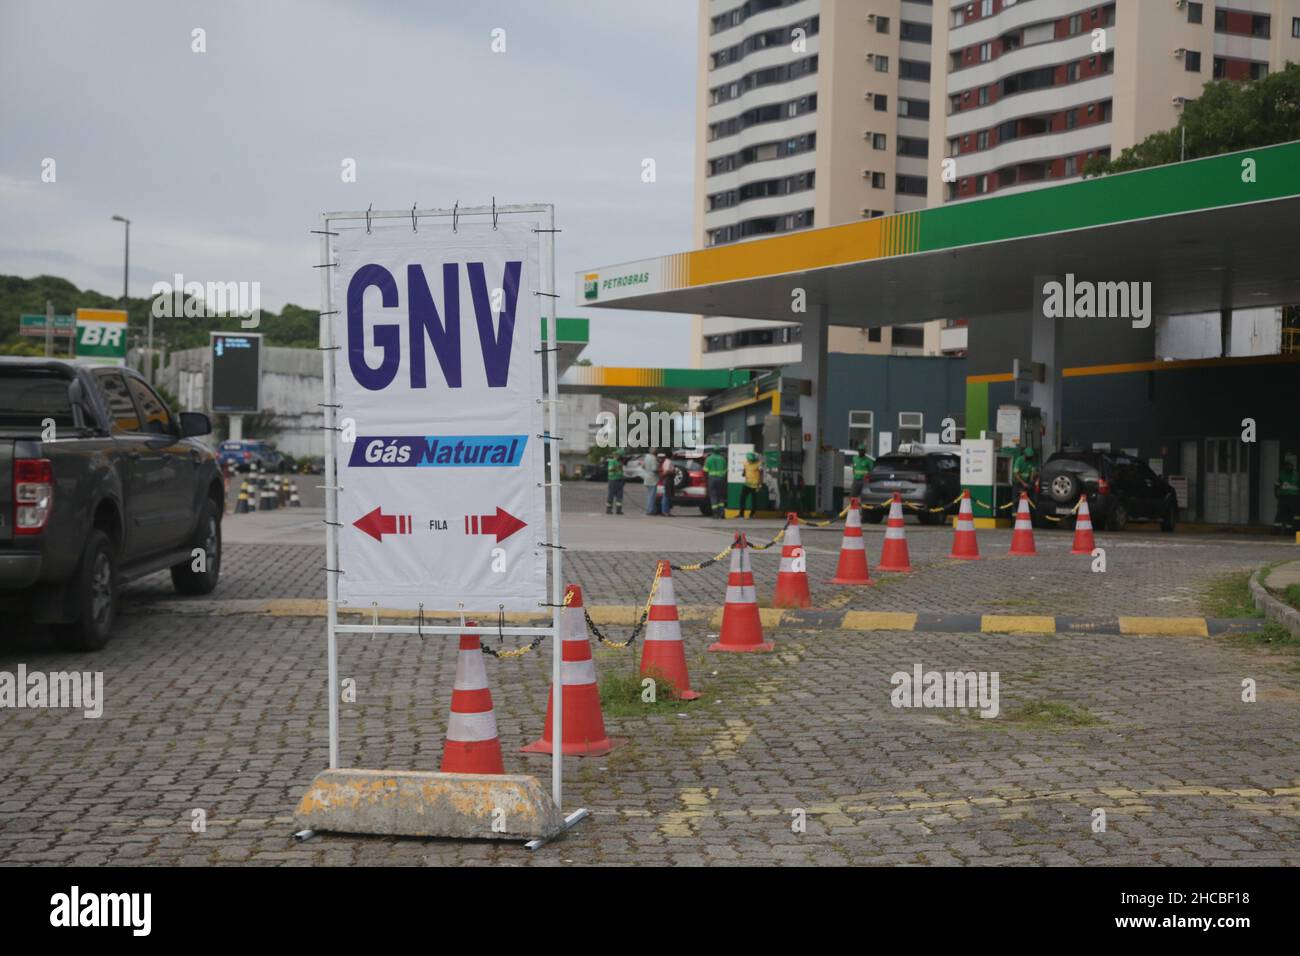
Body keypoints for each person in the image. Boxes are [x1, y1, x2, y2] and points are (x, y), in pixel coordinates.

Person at [1275, 452, 1298, 533]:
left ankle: (1289, 531)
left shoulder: (1296, 475)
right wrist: (1276, 494)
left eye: (1291, 466)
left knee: (1291, 515)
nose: (1290, 467)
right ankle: (1277, 530)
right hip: (1284, 496)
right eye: (1288, 466)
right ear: (1285, 467)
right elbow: (1277, 485)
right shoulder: (1282, 475)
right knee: (1281, 513)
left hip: (1293, 498)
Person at [704, 446, 728, 519]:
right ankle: (722, 513)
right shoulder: (723, 459)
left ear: (712, 451)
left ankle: (715, 514)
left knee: (713, 496)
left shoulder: (709, 459)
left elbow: (705, 470)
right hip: (721, 479)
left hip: (712, 478)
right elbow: (726, 470)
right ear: (719, 452)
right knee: (721, 496)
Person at [739, 451, 763, 518]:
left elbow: (761, 475)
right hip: (747, 484)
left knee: (753, 501)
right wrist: (744, 473)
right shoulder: (749, 464)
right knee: (744, 499)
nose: (749, 461)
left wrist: (760, 484)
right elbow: (744, 473)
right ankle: (743, 514)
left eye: (749, 460)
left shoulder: (758, 464)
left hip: (754, 485)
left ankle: (749, 515)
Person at [604, 451, 624, 515]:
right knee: (611, 495)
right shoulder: (612, 461)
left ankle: (619, 510)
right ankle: (608, 509)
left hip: (619, 480)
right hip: (613, 480)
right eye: (619, 456)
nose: (620, 457)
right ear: (616, 455)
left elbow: (620, 471)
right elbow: (610, 470)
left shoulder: (619, 462)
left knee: (619, 496)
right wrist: (617, 467)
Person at [643, 450, 660, 515]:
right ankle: (650, 510)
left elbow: (643, 466)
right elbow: (654, 469)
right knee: (652, 496)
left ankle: (651, 509)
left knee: (649, 495)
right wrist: (660, 470)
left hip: (647, 478)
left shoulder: (646, 457)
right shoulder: (653, 458)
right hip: (653, 479)